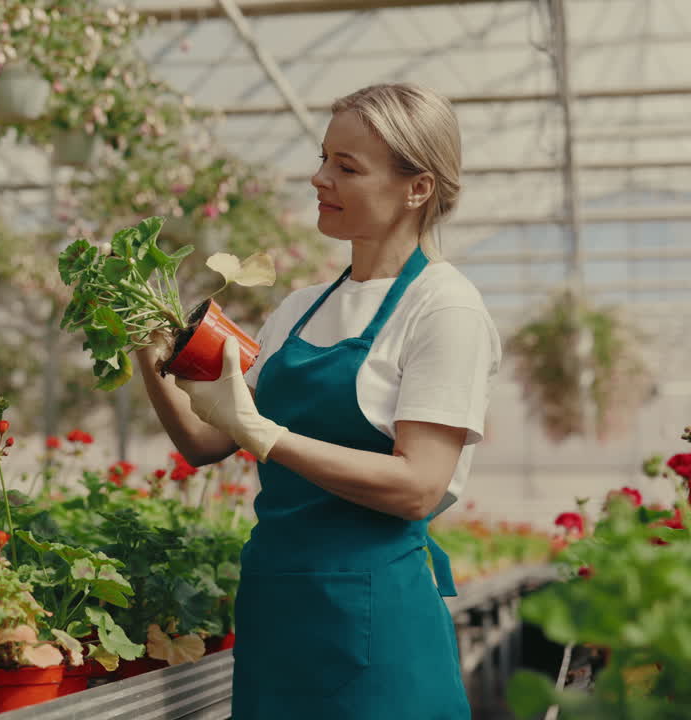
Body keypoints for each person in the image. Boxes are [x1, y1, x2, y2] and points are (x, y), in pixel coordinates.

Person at [137, 83, 500, 719]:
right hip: (276, 610)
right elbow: (205, 442)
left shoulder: (444, 308)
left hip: (376, 618)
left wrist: (266, 435)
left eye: (346, 167)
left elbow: (418, 484)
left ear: (417, 189)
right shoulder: (299, 309)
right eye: (324, 157)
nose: (319, 178)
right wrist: (147, 352)